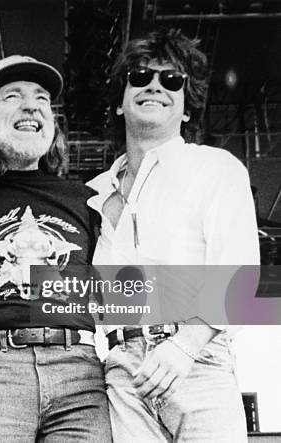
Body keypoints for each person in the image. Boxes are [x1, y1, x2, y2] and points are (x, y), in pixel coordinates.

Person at [86, 28, 260, 442]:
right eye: (140, 76)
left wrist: (184, 346)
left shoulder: (216, 168)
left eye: (171, 80)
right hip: (122, 371)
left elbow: (242, 274)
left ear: (186, 108)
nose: (154, 86)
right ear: (119, 100)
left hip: (199, 361)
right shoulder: (93, 193)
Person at [0, 55, 112, 442]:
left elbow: (118, 289)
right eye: (12, 96)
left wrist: (193, 336)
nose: (31, 105)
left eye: (42, 99)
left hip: (80, 378)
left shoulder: (89, 199)